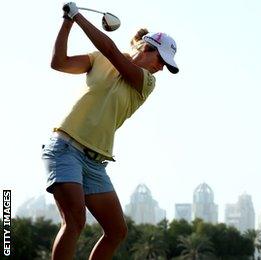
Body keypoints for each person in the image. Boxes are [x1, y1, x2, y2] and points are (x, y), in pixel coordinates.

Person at [43, 2, 178, 259]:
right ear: (145, 48)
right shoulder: (99, 59)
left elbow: (111, 49)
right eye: (161, 59)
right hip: (65, 148)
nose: (162, 67)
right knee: (74, 221)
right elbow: (58, 63)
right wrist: (67, 22)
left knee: (117, 231)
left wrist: (78, 16)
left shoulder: (146, 82)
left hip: (96, 163)